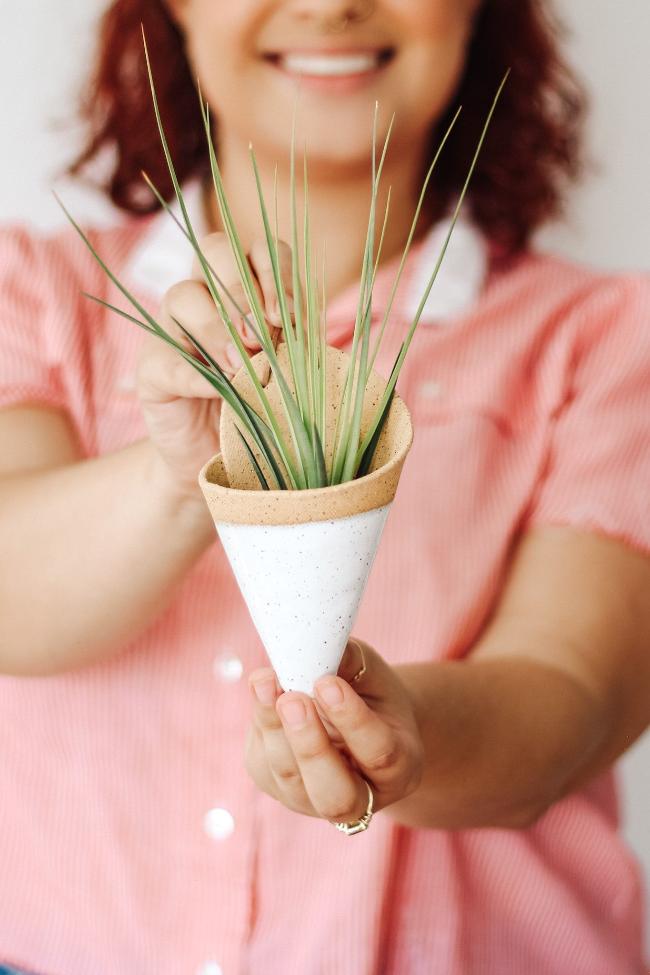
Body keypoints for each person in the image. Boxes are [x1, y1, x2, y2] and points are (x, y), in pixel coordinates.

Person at [0, 1, 649, 973]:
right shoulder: (37, 291)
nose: (328, 4)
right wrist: (188, 476)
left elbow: (572, 699)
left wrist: (408, 737)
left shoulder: (605, 341)